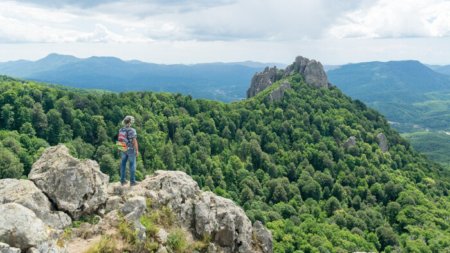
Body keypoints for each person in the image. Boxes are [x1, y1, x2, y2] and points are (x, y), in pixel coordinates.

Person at [119, 116, 139, 186]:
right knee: (132, 164)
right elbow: (134, 141)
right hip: (130, 148)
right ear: (130, 122)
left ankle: (122, 180)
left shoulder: (121, 129)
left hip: (122, 147)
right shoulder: (132, 130)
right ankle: (132, 181)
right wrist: (136, 150)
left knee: (123, 164)